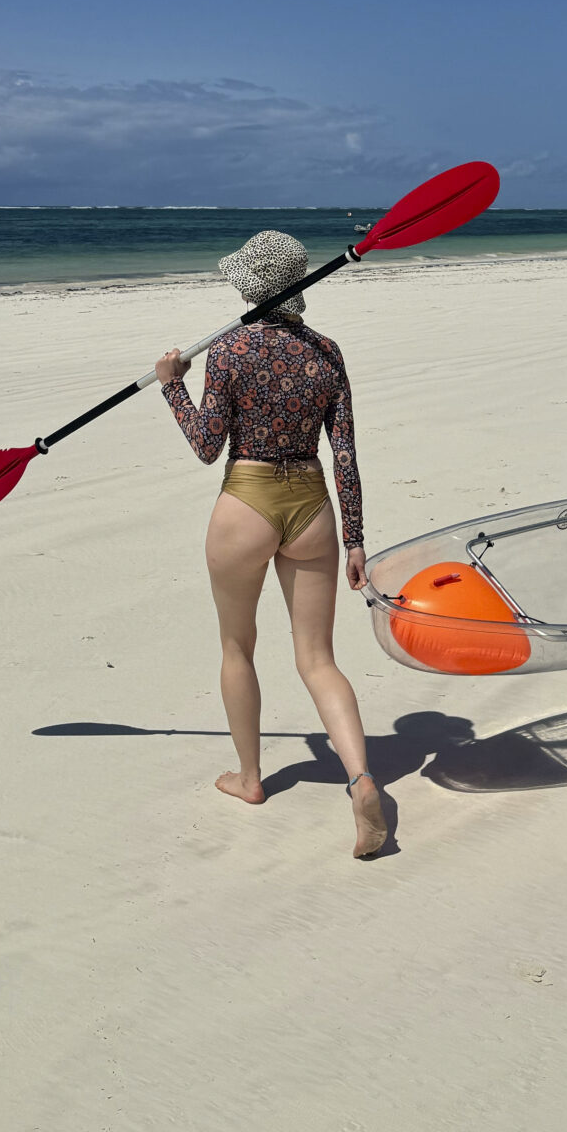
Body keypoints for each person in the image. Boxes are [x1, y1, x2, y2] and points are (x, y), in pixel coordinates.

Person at [156, 230, 387, 859]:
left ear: (252, 286)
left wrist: (171, 384)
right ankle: (363, 780)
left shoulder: (230, 350)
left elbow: (207, 445)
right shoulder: (327, 353)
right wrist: (356, 537)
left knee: (238, 646)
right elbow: (345, 453)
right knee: (318, 660)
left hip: (248, 501)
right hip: (313, 505)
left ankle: (251, 779)